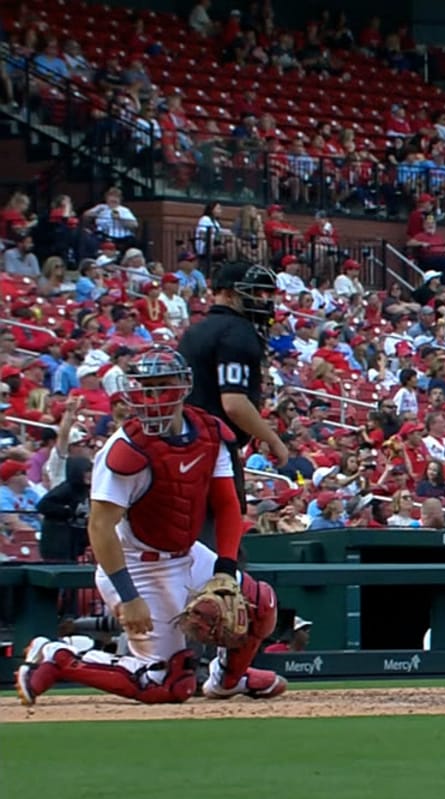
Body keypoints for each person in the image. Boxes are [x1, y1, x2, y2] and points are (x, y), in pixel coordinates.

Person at [15, 350, 285, 706]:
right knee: (167, 685)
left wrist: (225, 570)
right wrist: (129, 596)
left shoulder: (208, 432)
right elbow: (100, 528)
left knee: (258, 603)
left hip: (186, 552)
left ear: (183, 387)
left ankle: (228, 680)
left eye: (162, 387)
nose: (153, 397)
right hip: (137, 563)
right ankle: (60, 657)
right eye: (146, 388)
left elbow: (226, 505)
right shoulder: (124, 449)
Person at [178, 261, 288, 545]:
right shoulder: (238, 331)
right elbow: (234, 403)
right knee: (220, 544)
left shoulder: (194, 331)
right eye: (255, 292)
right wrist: (273, 439)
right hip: (214, 448)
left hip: (184, 445)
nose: (264, 301)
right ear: (227, 293)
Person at [35, 455, 91, 562]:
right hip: (60, 539)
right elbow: (43, 505)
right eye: (86, 471)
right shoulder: (66, 489)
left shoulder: (91, 489)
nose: (89, 475)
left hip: (79, 537)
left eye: (90, 471)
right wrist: (67, 511)